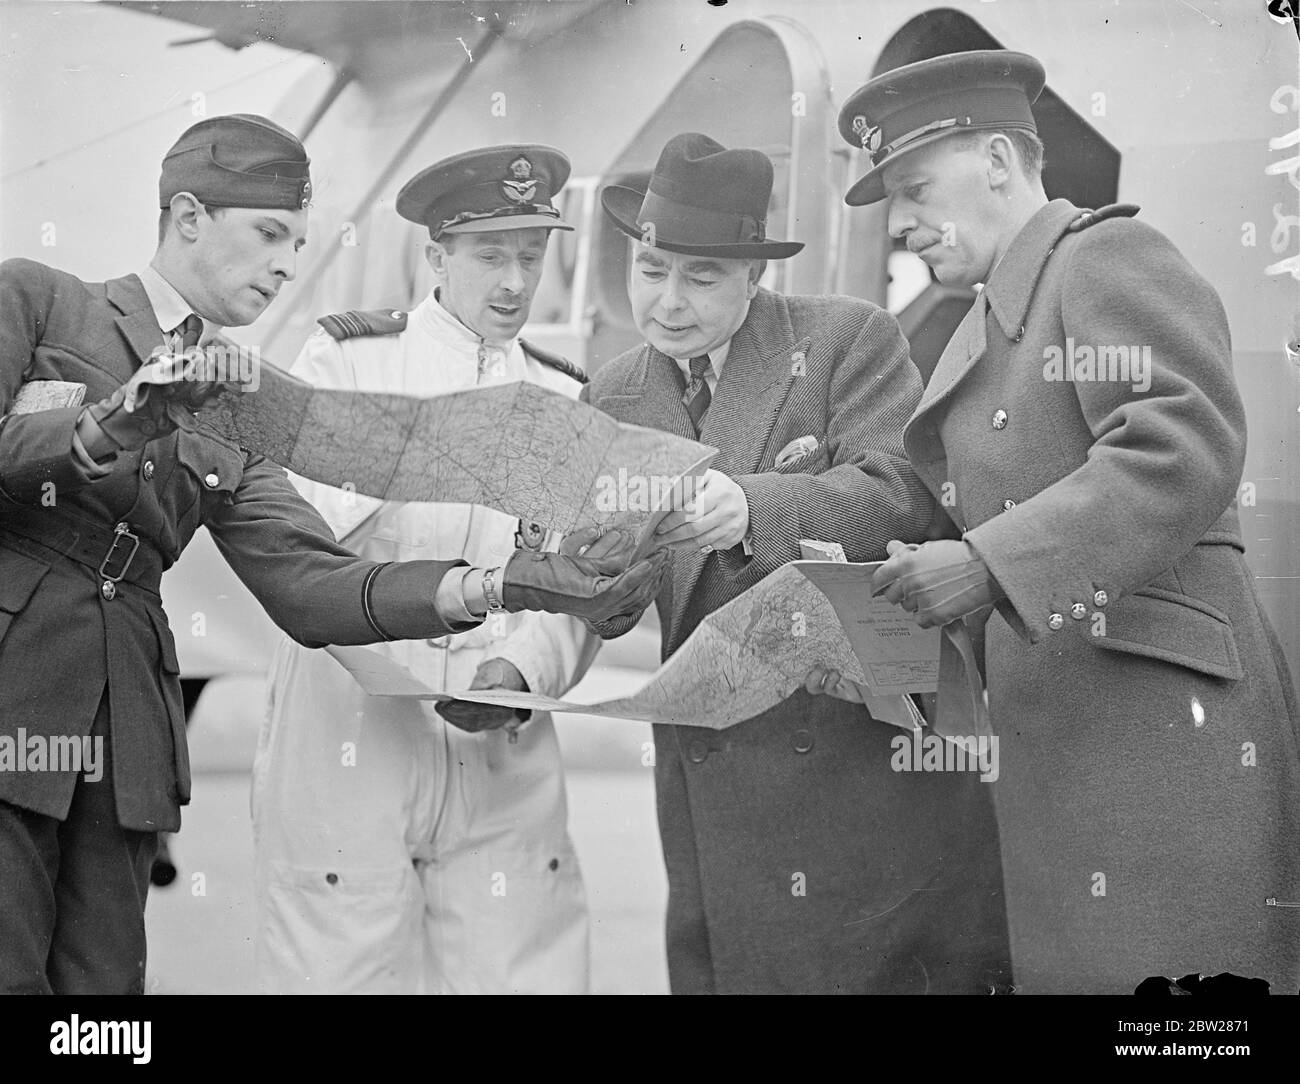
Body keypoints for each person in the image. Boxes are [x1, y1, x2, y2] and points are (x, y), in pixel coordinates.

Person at [0, 115, 662, 995]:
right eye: (270, 234)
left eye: (298, 242)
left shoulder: (237, 400)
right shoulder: (43, 299)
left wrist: (505, 584)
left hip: (126, 740)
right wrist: (104, 424)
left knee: (102, 1012)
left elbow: (312, 583)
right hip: (15, 697)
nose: (286, 264)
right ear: (188, 215)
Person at [829, 49, 1300, 993]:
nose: (905, 225)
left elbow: (1180, 449)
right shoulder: (988, 322)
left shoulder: (1103, 257)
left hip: (1157, 751)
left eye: (918, 189)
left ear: (1000, 160)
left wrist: (985, 567)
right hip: (1059, 752)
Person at [581, 132, 1011, 994]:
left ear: (754, 277)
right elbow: (612, 601)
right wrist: (587, 572)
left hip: (857, 770)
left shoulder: (848, 338)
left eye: (702, 278)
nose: (668, 301)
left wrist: (753, 506)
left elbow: (902, 495)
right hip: (709, 767)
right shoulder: (612, 394)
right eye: (652, 269)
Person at [253, 146, 600, 994]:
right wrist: (421, 454)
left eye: (531, 254)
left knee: (526, 976)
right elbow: (296, 542)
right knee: (342, 974)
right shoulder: (347, 365)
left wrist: (524, 665)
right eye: (491, 255)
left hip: (500, 744)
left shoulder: (566, 400)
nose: (515, 281)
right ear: (437, 256)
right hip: (353, 741)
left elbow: (585, 583)